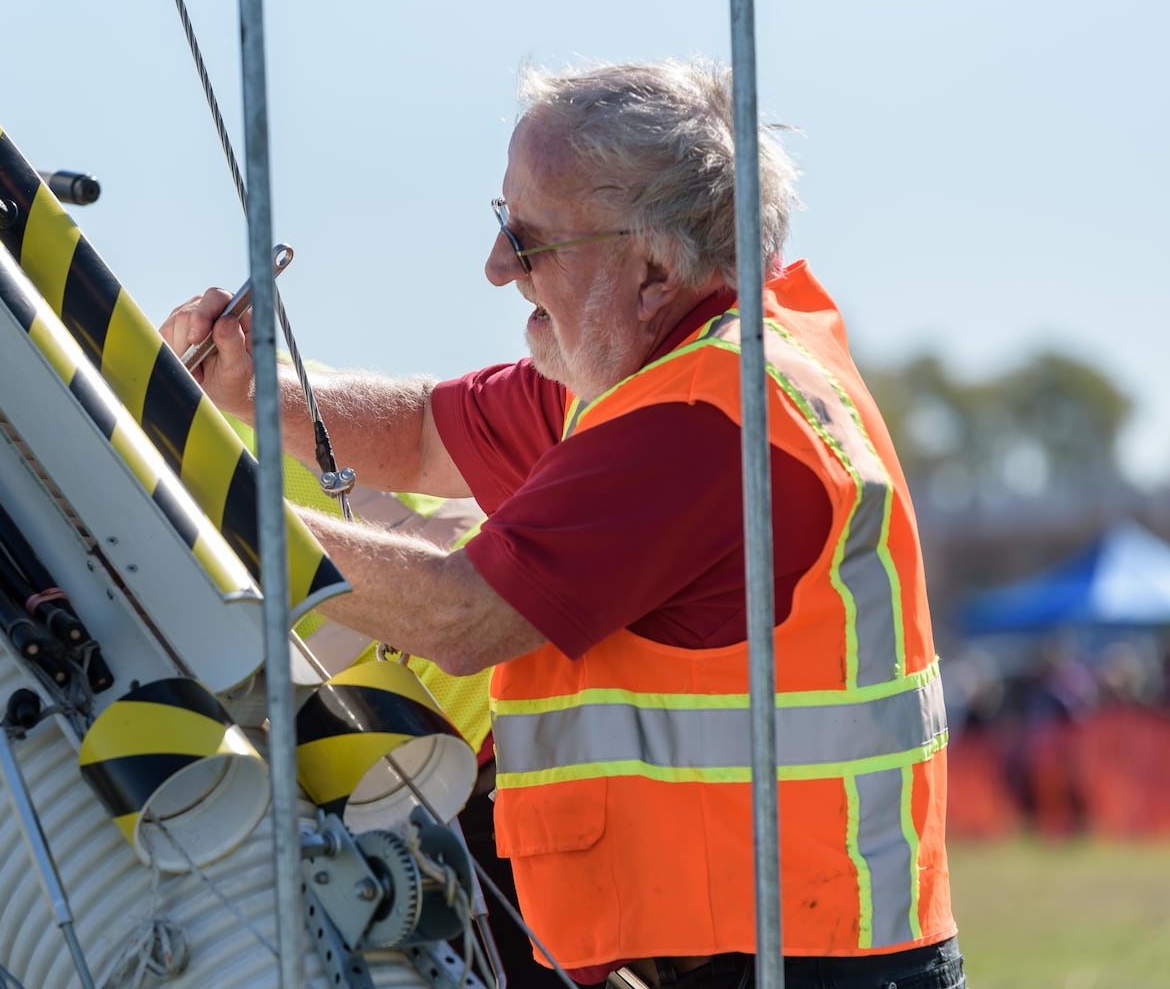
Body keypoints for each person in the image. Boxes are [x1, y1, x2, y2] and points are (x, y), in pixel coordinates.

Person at [163, 58, 963, 989]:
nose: (498, 267)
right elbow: (428, 432)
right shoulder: (673, 366)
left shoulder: (700, 420)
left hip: (793, 964)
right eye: (501, 223)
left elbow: (458, 615)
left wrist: (199, 500)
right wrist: (259, 395)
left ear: (654, 272)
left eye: (530, 239)